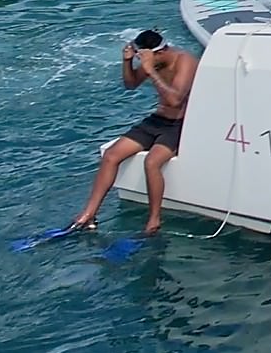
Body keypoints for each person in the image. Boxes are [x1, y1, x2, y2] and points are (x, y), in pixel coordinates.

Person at [67, 29, 197, 236]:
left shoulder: (185, 61)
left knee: (152, 162)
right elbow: (131, 84)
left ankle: (154, 220)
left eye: (144, 58)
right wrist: (127, 62)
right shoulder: (154, 61)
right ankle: (88, 214)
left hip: (180, 124)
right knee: (111, 156)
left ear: (160, 52)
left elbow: (175, 100)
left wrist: (150, 70)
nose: (142, 63)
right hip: (157, 121)